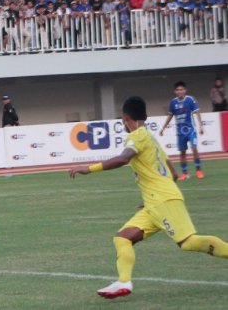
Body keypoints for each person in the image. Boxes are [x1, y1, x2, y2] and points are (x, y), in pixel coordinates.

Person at [69, 96, 228, 299]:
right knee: (122, 238)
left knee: (188, 242)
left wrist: (88, 169)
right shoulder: (151, 139)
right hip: (155, 203)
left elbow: (123, 158)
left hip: (162, 200)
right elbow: (173, 174)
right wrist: (150, 198)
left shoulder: (136, 136)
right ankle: (123, 282)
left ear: (126, 118)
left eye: (122, 120)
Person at [159, 81, 204, 180]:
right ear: (175, 91)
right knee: (182, 152)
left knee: (194, 147)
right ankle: (184, 173)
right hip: (180, 132)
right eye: (178, 90)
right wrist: (163, 128)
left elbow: (197, 112)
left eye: (182, 89)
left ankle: (198, 170)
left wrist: (201, 126)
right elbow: (170, 115)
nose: (180, 91)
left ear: (185, 90)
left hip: (191, 130)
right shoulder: (173, 102)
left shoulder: (190, 100)